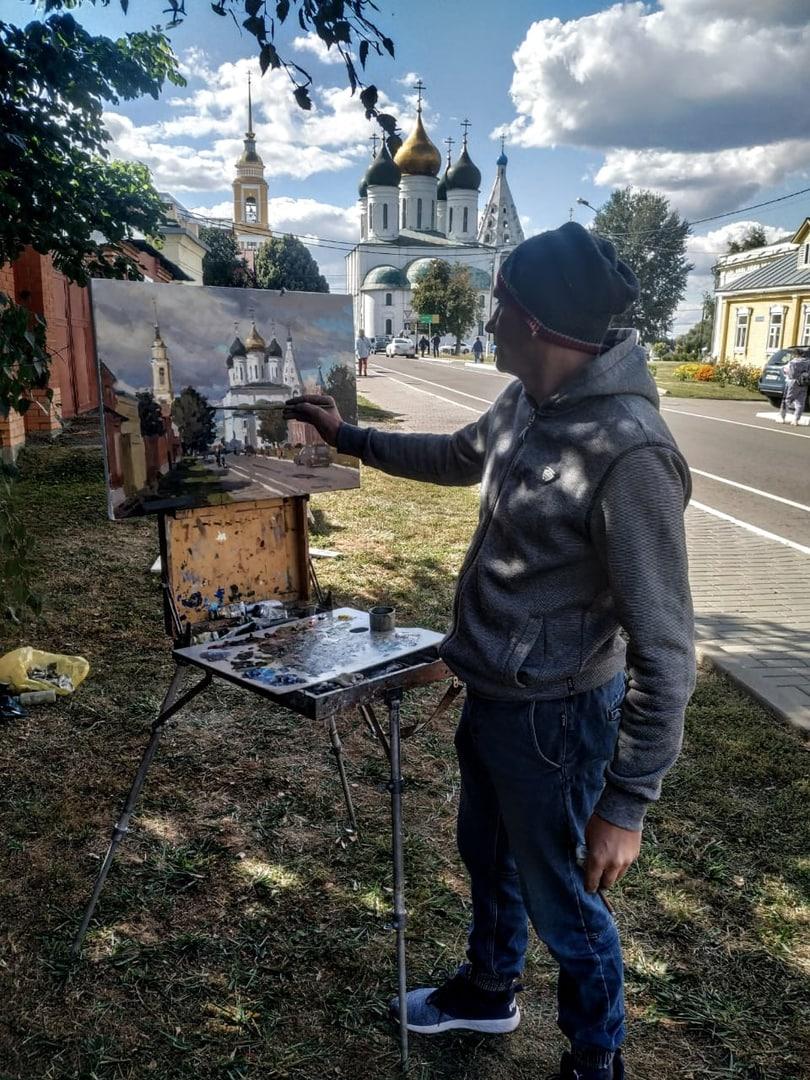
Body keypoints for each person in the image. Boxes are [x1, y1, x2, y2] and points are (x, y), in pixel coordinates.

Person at [284, 222, 695, 1080]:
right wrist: (348, 438)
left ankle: (597, 1059)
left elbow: (667, 648)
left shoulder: (630, 453)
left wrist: (627, 804)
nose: (489, 313)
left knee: (565, 904)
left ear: (538, 324)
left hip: (559, 720)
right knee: (489, 856)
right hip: (497, 697)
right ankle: (490, 989)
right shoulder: (527, 401)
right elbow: (456, 455)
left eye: (500, 301)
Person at [777, 349, 810, 425]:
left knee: (787, 399)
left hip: (793, 382)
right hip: (804, 383)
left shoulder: (793, 362)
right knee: (800, 402)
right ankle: (796, 419)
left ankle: (782, 416)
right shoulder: (808, 362)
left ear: (796, 355)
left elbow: (788, 373)